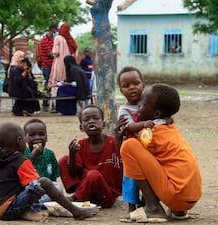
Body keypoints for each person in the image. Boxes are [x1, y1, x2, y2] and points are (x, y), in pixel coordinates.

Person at [120, 84, 202, 223]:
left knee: (128, 146)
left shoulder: (150, 134)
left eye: (143, 103)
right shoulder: (170, 128)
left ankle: (153, 208)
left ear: (157, 114)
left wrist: (121, 135)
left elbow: (136, 162)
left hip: (175, 195)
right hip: (191, 196)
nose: (138, 104)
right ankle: (178, 211)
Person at [0, 122, 99, 221]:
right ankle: (76, 211)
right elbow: (37, 185)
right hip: (9, 209)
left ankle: (28, 212)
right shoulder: (20, 160)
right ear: (20, 141)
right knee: (44, 182)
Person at [57, 105, 124, 208]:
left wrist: (120, 137)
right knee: (64, 160)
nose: (91, 121)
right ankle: (82, 193)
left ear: (104, 124)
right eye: (86, 119)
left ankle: (76, 198)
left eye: (96, 118)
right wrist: (72, 154)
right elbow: (73, 173)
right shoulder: (81, 144)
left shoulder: (114, 142)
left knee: (93, 175)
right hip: (86, 186)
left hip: (107, 194)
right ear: (81, 127)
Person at [115, 66, 146, 220]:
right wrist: (145, 123)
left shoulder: (149, 104)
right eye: (126, 86)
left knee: (149, 177)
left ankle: (146, 204)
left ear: (143, 85)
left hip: (149, 149)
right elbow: (129, 126)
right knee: (131, 178)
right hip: (131, 151)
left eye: (136, 83)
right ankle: (131, 207)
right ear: (121, 91)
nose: (132, 88)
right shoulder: (124, 109)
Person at [23, 118, 61, 209]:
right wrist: (33, 156)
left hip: (46, 190)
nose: (37, 138)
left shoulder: (50, 154)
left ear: (46, 137)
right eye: (32, 135)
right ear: (25, 139)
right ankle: (37, 203)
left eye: (41, 134)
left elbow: (53, 178)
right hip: (30, 189)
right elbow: (24, 171)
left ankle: (39, 203)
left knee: (58, 187)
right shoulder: (23, 153)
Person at [49, 23, 78, 112]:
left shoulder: (58, 38)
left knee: (56, 83)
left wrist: (51, 53)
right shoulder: (70, 39)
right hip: (69, 65)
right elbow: (75, 52)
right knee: (66, 83)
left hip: (59, 64)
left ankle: (54, 106)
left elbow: (56, 52)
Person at [8, 51, 41, 116]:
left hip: (18, 89)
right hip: (15, 91)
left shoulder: (18, 68)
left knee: (30, 91)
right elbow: (18, 81)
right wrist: (25, 72)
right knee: (30, 92)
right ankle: (27, 110)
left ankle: (19, 110)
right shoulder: (16, 69)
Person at [40, 23, 59, 111]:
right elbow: (50, 54)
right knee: (48, 84)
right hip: (47, 66)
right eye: (56, 30)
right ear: (53, 30)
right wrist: (58, 54)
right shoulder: (44, 40)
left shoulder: (54, 39)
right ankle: (45, 103)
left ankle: (53, 104)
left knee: (54, 84)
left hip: (53, 65)